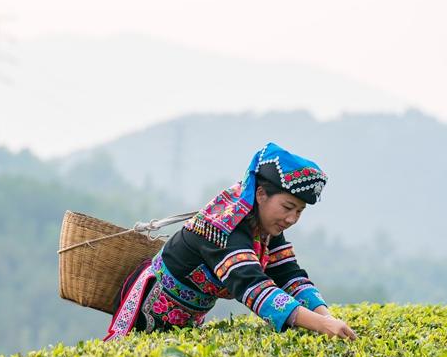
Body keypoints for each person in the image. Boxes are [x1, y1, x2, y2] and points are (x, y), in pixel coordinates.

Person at [105, 142, 357, 341]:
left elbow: (288, 275)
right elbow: (254, 288)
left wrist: (327, 317)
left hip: (189, 318)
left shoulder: (264, 226)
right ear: (261, 194)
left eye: (299, 212)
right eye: (287, 207)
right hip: (149, 309)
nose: (292, 219)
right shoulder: (224, 226)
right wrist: (322, 325)